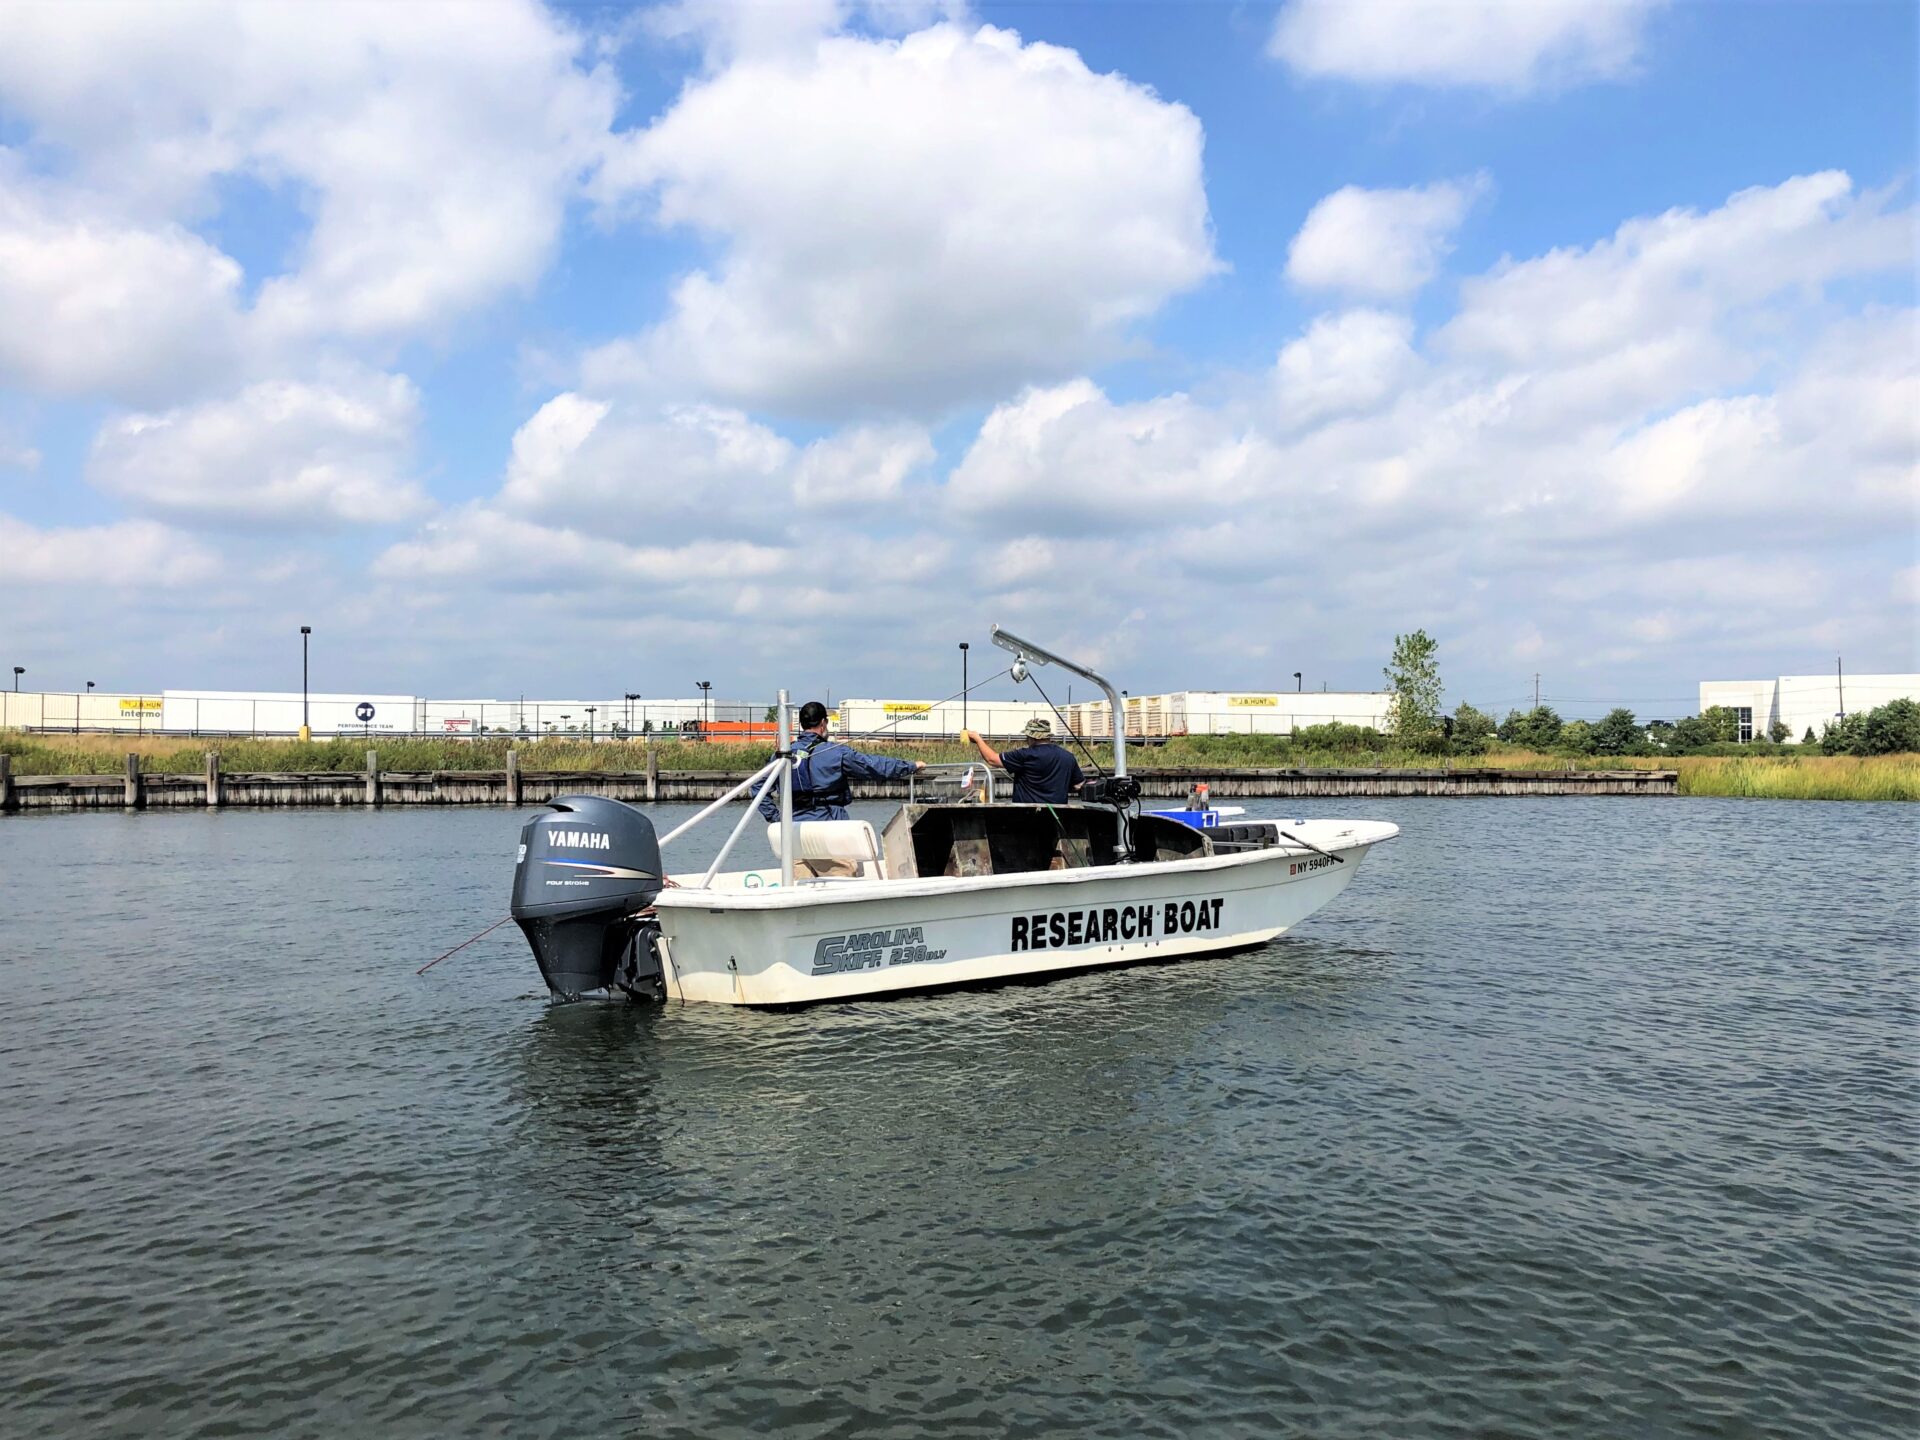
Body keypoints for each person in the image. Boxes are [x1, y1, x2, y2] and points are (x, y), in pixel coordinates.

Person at [758, 700, 926, 822]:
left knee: (800, 871)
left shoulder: (781, 757)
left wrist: (776, 818)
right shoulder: (835, 753)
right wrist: (910, 766)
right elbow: (873, 766)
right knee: (843, 871)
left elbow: (758, 787)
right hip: (829, 824)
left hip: (793, 829)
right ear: (823, 723)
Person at [959, 717, 1086, 804]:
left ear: (1031, 736)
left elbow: (992, 759)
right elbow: (1078, 785)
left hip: (1026, 816)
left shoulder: (1025, 755)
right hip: (1059, 816)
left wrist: (978, 739)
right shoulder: (1068, 757)